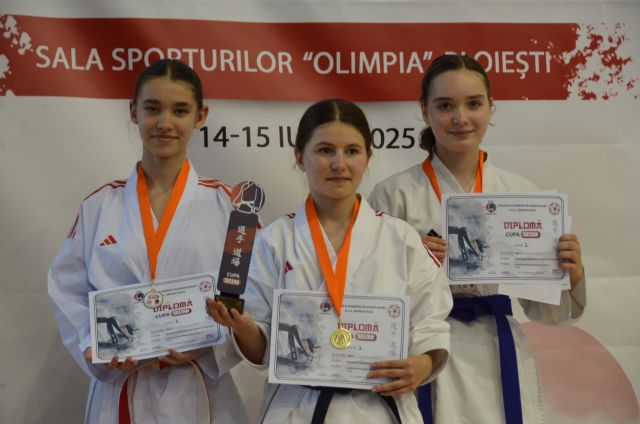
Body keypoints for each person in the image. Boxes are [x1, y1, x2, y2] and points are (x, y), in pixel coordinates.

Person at [368, 54, 587, 424]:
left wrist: (571, 273)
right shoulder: (393, 196)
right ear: (424, 111)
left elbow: (546, 310)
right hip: (424, 351)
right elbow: (366, 296)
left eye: (473, 104)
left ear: (490, 107)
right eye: (444, 106)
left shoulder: (520, 194)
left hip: (497, 349)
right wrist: (403, 259)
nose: (460, 118)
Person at [207, 98, 453, 423]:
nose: (339, 163)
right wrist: (244, 327)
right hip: (297, 409)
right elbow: (262, 350)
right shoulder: (274, 240)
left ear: (368, 158)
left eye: (352, 151)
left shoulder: (401, 238)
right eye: (325, 151)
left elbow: (431, 322)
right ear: (299, 157)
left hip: (380, 409)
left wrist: (424, 363)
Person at [48, 59, 249, 424]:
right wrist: (95, 346)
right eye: (153, 109)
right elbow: (67, 290)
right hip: (121, 385)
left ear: (201, 116)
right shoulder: (99, 206)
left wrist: (209, 343)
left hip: (200, 388)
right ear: (133, 111)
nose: (164, 123)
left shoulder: (230, 208)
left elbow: (253, 296)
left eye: (180, 110)